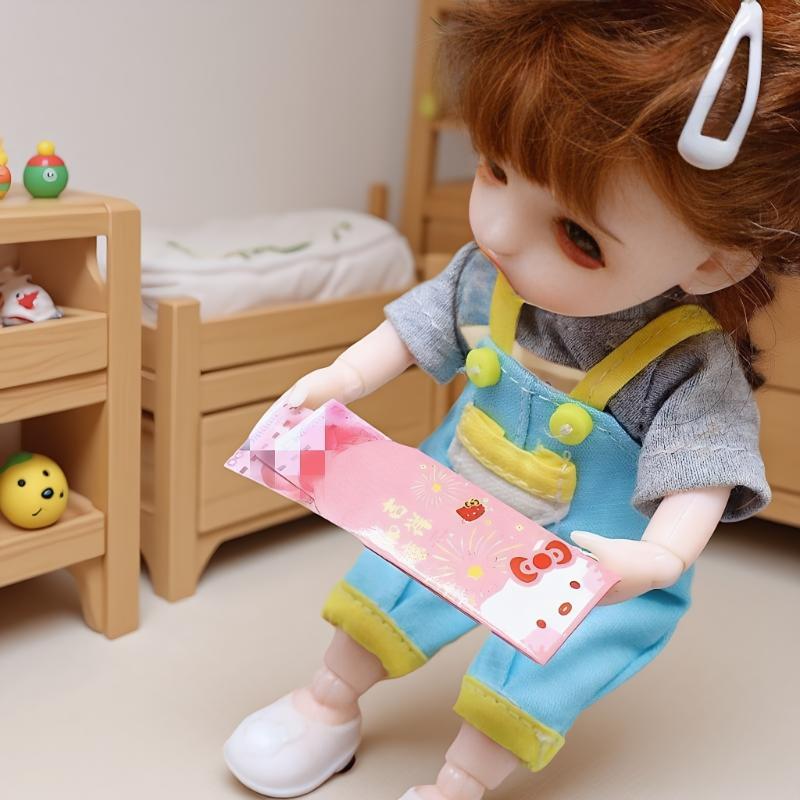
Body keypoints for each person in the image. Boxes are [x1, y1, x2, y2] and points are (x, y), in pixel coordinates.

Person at [224, 2, 799, 797]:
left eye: (578, 236)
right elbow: (411, 330)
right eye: (493, 168)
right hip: (461, 494)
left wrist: (660, 557)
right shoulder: (482, 275)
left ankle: (459, 783)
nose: (496, 230)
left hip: (592, 556)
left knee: (539, 667)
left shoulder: (685, 365)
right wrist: (341, 381)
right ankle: (327, 701)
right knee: (392, 583)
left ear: (714, 262)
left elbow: (702, 472)